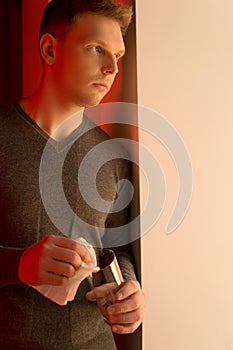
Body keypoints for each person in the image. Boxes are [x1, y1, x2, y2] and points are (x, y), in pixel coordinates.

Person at [0, 0, 145, 349]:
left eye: (118, 55)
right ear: (50, 49)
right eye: (96, 49)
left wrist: (128, 291)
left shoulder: (114, 156)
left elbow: (118, 248)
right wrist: (17, 264)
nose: (112, 68)